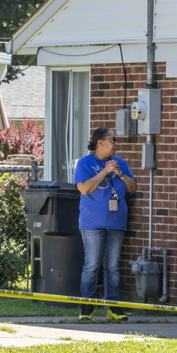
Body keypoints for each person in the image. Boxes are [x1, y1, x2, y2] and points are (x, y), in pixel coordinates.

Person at [73, 128, 138, 321]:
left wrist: (120, 174)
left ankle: (113, 307)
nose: (116, 143)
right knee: (92, 264)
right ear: (100, 142)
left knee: (112, 266)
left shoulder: (122, 163)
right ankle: (87, 307)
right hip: (92, 222)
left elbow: (133, 188)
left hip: (116, 222)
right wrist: (105, 171)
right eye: (113, 140)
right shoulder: (85, 163)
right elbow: (84, 189)